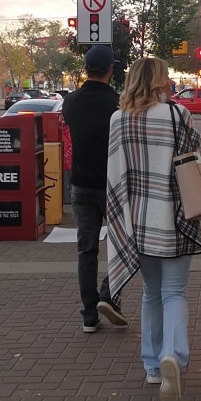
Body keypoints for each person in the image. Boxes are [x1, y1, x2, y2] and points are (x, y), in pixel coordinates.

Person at [106, 56, 201, 401]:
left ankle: (152, 365)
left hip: (137, 220)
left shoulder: (117, 120)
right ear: (157, 81)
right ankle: (174, 355)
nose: (169, 81)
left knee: (151, 291)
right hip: (175, 216)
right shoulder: (175, 114)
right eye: (166, 76)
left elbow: (114, 173)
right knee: (174, 291)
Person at [61, 44, 127, 334]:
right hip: (112, 184)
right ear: (110, 69)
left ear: (87, 69)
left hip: (80, 184)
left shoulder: (71, 102)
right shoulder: (119, 103)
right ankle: (108, 295)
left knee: (86, 249)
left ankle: (89, 315)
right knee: (124, 245)